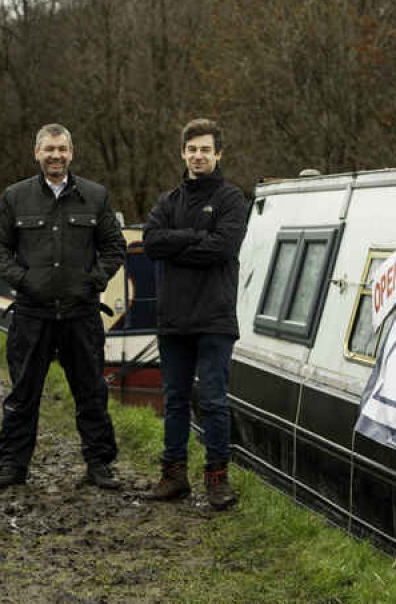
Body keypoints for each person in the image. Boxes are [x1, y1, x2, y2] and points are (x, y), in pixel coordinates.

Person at [0, 123, 126, 490]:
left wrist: (93, 282)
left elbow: (114, 247)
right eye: (49, 149)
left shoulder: (95, 197)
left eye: (61, 149)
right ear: (37, 153)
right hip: (32, 315)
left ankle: (99, 466)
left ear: (71, 153)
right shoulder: (16, 198)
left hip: (81, 314)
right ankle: (12, 467)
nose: (55, 155)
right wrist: (25, 280)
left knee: (92, 392)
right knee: (22, 395)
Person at [143, 118, 247, 510]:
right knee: (174, 400)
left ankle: (217, 480)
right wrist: (194, 238)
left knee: (215, 401)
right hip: (173, 318)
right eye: (192, 149)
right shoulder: (167, 202)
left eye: (206, 149)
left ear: (218, 153)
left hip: (215, 317)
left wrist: (177, 244)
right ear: (182, 153)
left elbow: (222, 248)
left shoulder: (231, 199)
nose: (198, 155)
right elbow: (152, 243)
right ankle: (173, 477)